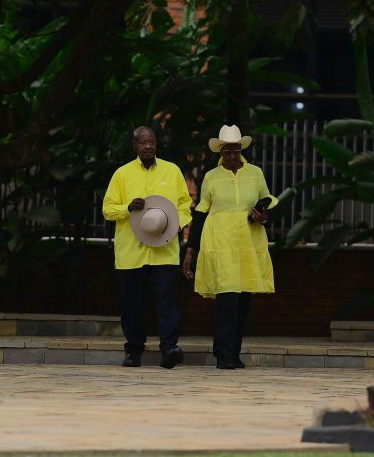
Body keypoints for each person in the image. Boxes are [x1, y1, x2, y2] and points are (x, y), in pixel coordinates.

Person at [182, 124, 277, 370]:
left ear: (241, 150)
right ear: (220, 153)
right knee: (227, 301)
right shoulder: (211, 177)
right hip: (220, 243)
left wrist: (262, 216)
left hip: (248, 244)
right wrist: (191, 250)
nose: (232, 156)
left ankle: (234, 353)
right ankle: (223, 354)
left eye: (235, 151)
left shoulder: (255, 173)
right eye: (227, 152)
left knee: (244, 301)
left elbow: (267, 201)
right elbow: (201, 212)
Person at [102, 126, 192, 368]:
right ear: (135, 146)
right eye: (143, 143)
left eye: (151, 142)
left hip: (164, 250)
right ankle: (133, 350)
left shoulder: (172, 171)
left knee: (166, 300)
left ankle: (169, 349)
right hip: (131, 253)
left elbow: (185, 205)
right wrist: (127, 208)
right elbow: (107, 209)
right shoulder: (122, 174)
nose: (148, 146)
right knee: (132, 303)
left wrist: (173, 224)